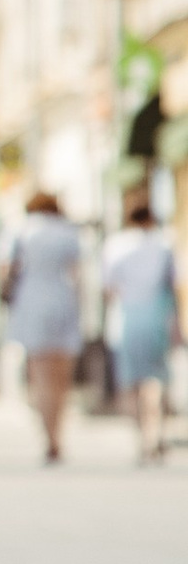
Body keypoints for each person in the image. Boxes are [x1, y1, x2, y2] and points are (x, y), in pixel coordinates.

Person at [1, 187, 84, 462]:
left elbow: (6, 268)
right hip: (63, 298)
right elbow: (78, 272)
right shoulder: (67, 231)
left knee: (40, 374)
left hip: (31, 301)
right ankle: (57, 432)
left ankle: (48, 435)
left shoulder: (21, 230)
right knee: (62, 375)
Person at [101, 188, 178, 465]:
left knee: (132, 381)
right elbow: (173, 285)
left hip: (126, 318)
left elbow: (108, 288)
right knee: (156, 379)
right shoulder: (164, 244)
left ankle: (140, 438)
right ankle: (156, 433)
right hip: (157, 316)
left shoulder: (115, 245)